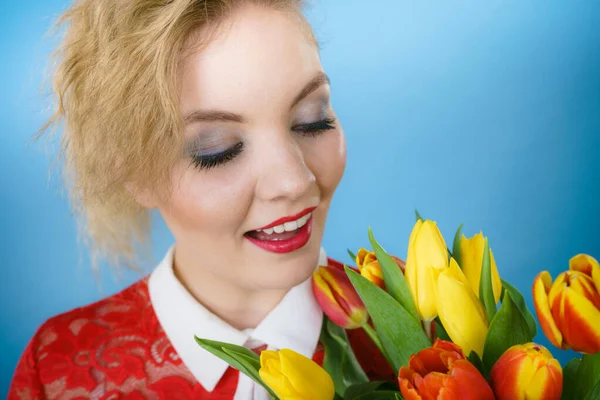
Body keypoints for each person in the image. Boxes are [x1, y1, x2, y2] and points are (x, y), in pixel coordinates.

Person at [8, 0, 391, 398]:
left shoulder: (434, 337)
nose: (294, 182)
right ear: (135, 172)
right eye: (217, 149)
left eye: (313, 118)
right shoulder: (57, 372)